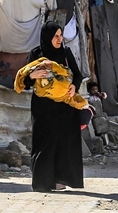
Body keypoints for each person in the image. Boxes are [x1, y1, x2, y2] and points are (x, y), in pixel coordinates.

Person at [19, 22, 84, 193]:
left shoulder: (66, 54)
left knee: (63, 142)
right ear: (47, 37)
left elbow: (78, 75)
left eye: (60, 35)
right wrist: (33, 75)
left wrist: (74, 87)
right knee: (43, 141)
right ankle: (42, 182)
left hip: (65, 106)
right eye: (55, 36)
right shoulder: (37, 54)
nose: (59, 39)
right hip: (43, 107)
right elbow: (24, 80)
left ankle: (59, 179)